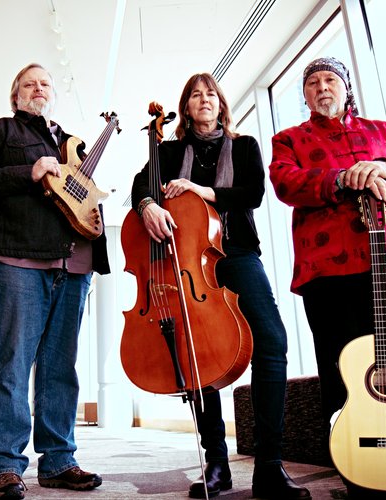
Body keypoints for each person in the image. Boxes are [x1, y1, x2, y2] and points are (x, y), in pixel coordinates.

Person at [130, 73, 311, 500]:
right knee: (195, 351)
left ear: (221, 104)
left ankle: (270, 465)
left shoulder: (245, 146)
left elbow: (251, 194)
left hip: (238, 254)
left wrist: (200, 190)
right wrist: (148, 205)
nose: (203, 99)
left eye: (210, 93)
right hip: (186, 262)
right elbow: (141, 184)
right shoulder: (169, 150)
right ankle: (216, 464)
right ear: (187, 107)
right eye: (195, 94)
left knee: (271, 342)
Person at [268, 57, 386, 493]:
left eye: (331, 80)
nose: (323, 88)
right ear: (304, 95)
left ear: (345, 88)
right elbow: (287, 183)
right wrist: (343, 178)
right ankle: (359, 471)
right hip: (326, 271)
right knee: (343, 374)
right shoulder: (288, 139)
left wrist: (385, 167)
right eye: (314, 83)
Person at [0, 63, 110, 500]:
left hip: (73, 264)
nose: (38, 88)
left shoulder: (72, 143)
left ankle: (59, 460)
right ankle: (6, 464)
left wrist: (97, 220)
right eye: (29, 83)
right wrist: (28, 171)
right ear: (15, 95)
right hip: (16, 258)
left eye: (45, 83)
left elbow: (83, 201)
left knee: (61, 368)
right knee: (14, 362)